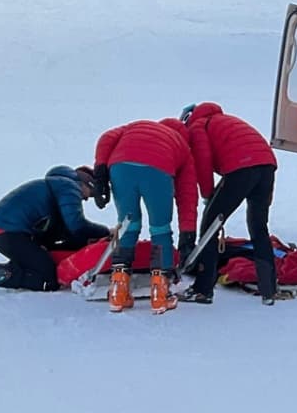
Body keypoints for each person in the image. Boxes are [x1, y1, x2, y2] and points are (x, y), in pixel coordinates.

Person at [92, 118, 198, 313]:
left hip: (121, 166)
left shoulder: (138, 125)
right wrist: (188, 232)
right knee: (160, 229)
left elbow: (107, 137)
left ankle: (118, 291)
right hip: (159, 170)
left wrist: (100, 171)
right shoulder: (183, 147)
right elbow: (187, 195)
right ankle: (160, 293)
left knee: (127, 225)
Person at [178, 101, 279, 305]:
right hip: (267, 165)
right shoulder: (226, 120)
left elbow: (203, 162)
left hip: (240, 167)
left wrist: (208, 196)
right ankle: (269, 289)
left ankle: (202, 289)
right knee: (258, 227)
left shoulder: (198, 126)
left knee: (210, 226)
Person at [0, 165, 111, 295]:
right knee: (49, 279)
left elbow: (64, 232)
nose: (86, 199)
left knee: (39, 262)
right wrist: (105, 232)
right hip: (9, 232)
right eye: (91, 194)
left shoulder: (55, 187)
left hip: (3, 232)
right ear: (86, 183)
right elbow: (76, 225)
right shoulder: (68, 187)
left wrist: (87, 241)